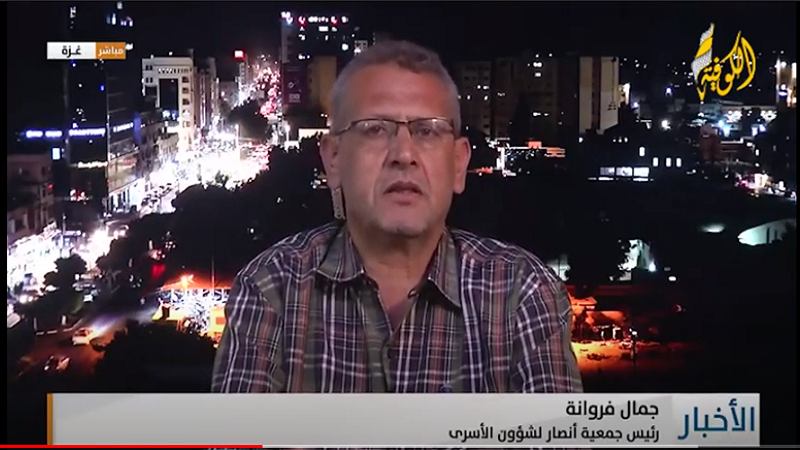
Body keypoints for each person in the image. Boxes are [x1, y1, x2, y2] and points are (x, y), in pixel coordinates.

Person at [212, 40, 583, 393]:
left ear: (459, 164)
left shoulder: (521, 292)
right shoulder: (271, 288)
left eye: (427, 131)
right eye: (375, 129)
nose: (403, 155)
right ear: (333, 159)